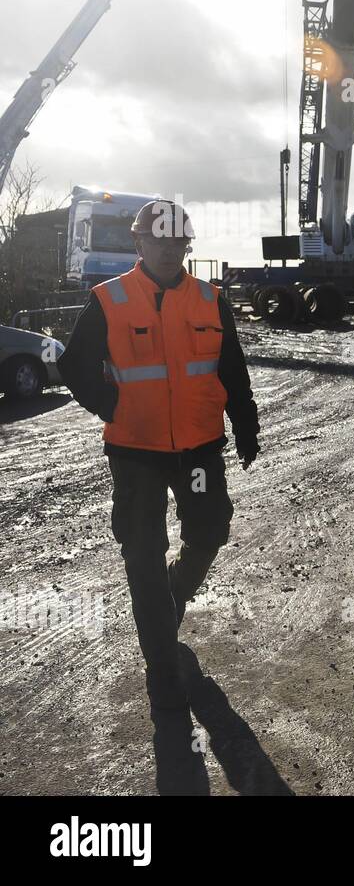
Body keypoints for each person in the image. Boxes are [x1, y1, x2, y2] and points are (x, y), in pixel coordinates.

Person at [57, 200, 260, 717]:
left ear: (187, 246)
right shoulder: (111, 298)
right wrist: (113, 406)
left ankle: (175, 591)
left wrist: (246, 422)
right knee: (143, 550)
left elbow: (231, 368)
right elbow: (74, 365)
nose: (169, 250)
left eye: (178, 242)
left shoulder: (212, 300)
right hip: (136, 452)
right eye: (159, 240)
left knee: (210, 530)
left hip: (196, 451)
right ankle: (161, 662)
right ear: (139, 243)